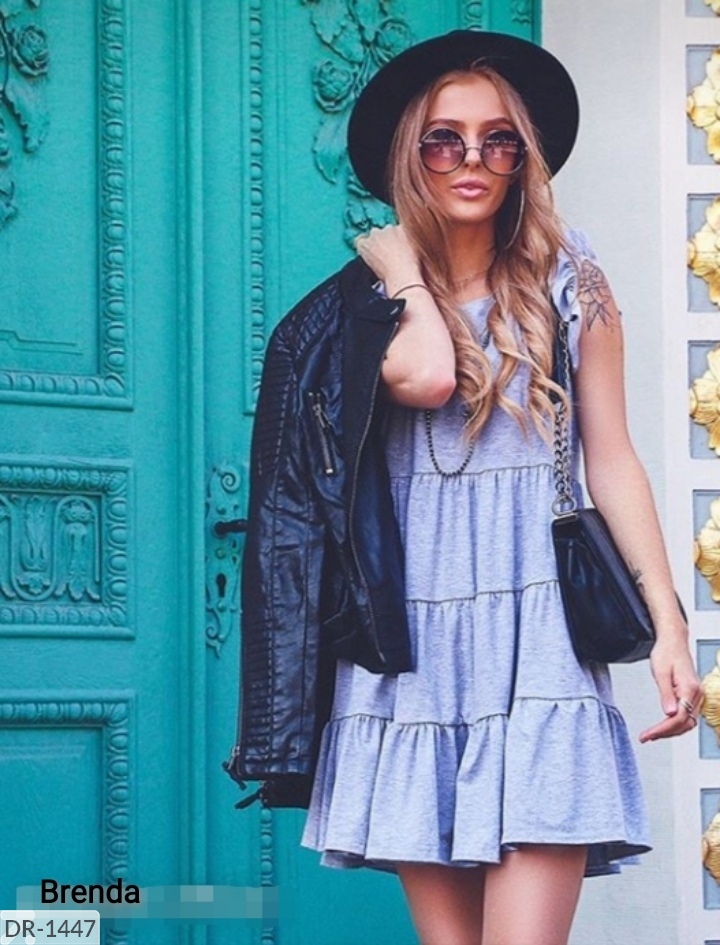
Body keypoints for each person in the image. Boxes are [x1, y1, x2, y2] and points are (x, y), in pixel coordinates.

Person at [227, 30, 703, 945]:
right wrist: (408, 273)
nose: (472, 159)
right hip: (413, 645)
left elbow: (612, 456)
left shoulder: (573, 280)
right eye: (444, 140)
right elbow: (433, 377)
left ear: (524, 158)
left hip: (538, 638)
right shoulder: (366, 305)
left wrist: (668, 624)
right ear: (412, 155)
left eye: (498, 140)